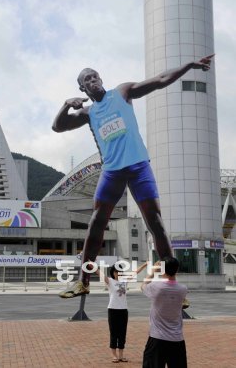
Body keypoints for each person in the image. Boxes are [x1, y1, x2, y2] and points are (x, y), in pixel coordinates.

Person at [52, 55, 213, 298]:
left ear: (101, 78)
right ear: (82, 88)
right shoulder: (89, 113)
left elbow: (159, 80)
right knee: (96, 221)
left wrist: (189, 66)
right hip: (112, 171)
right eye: (87, 79)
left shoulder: (122, 92)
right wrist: (66, 104)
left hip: (138, 167)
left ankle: (173, 285)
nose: (93, 80)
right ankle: (82, 281)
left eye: (95, 76)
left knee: (155, 222)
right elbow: (58, 127)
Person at [95, 261, 148, 363]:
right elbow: (99, 273)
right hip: (113, 310)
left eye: (119, 271)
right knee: (114, 333)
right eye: (116, 271)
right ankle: (114, 355)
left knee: (122, 333)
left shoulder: (124, 281)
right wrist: (92, 265)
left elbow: (135, 272)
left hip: (123, 310)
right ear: (113, 272)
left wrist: (145, 264)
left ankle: (121, 355)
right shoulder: (110, 281)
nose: (118, 273)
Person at [141, 257, 188, 368]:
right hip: (177, 339)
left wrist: (152, 272)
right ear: (177, 270)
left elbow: (143, 286)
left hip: (157, 338)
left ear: (162, 270)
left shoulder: (156, 287)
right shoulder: (183, 289)